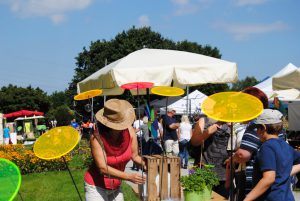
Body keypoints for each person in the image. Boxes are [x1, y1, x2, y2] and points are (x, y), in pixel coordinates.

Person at [230, 87, 286, 201]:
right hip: (279, 185)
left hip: (258, 185)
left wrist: (232, 159)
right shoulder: (277, 124)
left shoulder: (256, 124)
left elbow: (243, 155)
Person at [84, 99, 146, 201]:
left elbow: (135, 156)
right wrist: (129, 177)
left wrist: (149, 165)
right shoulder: (97, 137)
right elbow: (103, 168)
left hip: (116, 187)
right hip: (96, 186)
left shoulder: (130, 131)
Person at [244, 109, 300, 201]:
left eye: (257, 128)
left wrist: (247, 199)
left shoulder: (266, 147)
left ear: (263, 128)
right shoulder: (286, 146)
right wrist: (284, 172)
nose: (256, 131)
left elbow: (268, 179)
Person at [190, 114, 231, 198]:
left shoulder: (235, 122)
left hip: (224, 175)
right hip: (203, 172)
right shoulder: (204, 120)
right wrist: (208, 131)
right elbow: (194, 142)